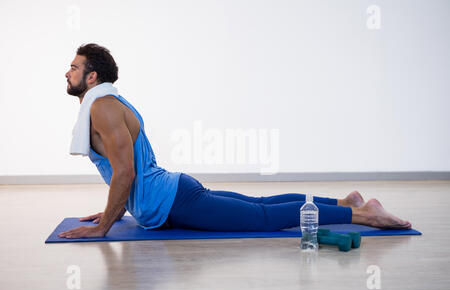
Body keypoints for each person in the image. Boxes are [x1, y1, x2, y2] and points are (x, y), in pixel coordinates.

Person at [58, 44, 411, 239]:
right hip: (174, 193)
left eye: (74, 67)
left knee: (261, 217)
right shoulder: (107, 103)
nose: (67, 72)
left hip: (173, 201)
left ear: (92, 76)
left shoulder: (102, 107)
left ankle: (363, 214)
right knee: (259, 204)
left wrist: (106, 225)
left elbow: (125, 173)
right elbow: (125, 171)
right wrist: (112, 210)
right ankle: (344, 200)